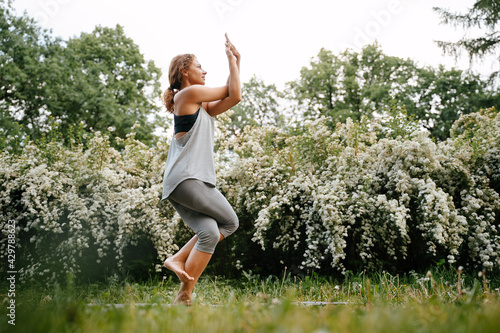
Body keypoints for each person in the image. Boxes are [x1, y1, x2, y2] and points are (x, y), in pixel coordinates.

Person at [161, 33, 241, 305]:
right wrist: (230, 60)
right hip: (189, 178)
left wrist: (237, 62)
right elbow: (234, 92)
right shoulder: (189, 94)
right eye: (199, 66)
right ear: (184, 71)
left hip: (183, 182)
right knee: (230, 222)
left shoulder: (201, 105)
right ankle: (178, 258)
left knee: (208, 233)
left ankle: (183, 297)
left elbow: (233, 98)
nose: (204, 70)